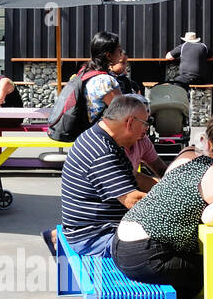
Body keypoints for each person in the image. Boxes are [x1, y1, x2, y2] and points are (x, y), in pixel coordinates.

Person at [111, 104, 213, 299]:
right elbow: (210, 219)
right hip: (146, 254)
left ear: (208, 140)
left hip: (119, 242)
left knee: (189, 265)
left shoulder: (187, 154)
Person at [53, 93, 151, 258]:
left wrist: (166, 187)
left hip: (98, 230)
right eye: (145, 124)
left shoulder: (103, 138)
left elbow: (135, 178)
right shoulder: (101, 150)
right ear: (130, 123)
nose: (145, 131)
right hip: (94, 237)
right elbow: (132, 200)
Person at [79, 31, 124, 123]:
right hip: (101, 133)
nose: (121, 52)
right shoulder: (104, 80)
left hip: (85, 130)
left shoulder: (84, 73)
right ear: (108, 55)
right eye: (119, 49)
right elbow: (122, 111)